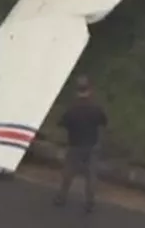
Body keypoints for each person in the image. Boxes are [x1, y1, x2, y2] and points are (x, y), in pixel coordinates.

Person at [52, 76, 108, 213]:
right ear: (89, 90)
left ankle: (61, 198)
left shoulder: (72, 109)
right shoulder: (95, 108)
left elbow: (61, 123)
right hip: (92, 146)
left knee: (68, 173)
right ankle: (89, 202)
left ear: (77, 91)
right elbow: (104, 122)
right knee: (91, 176)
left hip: (75, 146)